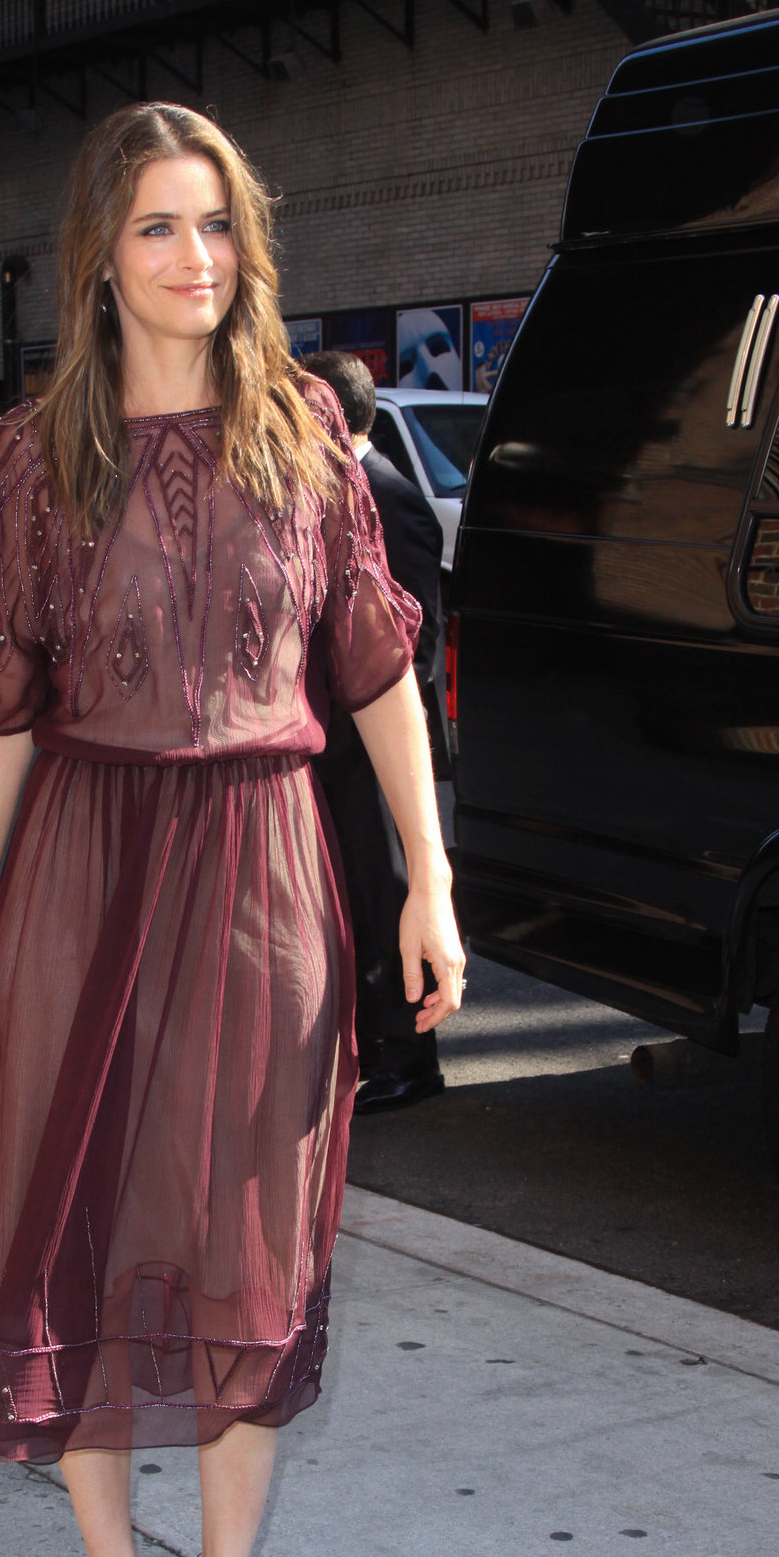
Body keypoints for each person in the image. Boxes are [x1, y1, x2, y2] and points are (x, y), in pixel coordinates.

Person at [0, 103, 464, 1557]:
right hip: (84, 869)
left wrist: (430, 880)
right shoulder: (36, 454)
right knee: (73, 1230)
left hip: (267, 875)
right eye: (158, 226)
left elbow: (370, 668)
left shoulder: (307, 429)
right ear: (100, 253)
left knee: (250, 1257)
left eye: (218, 224)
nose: (196, 260)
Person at [304, 349, 448, 1114]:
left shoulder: (390, 498)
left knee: (392, 897)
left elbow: (413, 650)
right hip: (334, 750)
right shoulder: (334, 495)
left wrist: (368, 735)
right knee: (353, 903)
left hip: (376, 754)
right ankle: (373, 1044)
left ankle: (410, 1055)